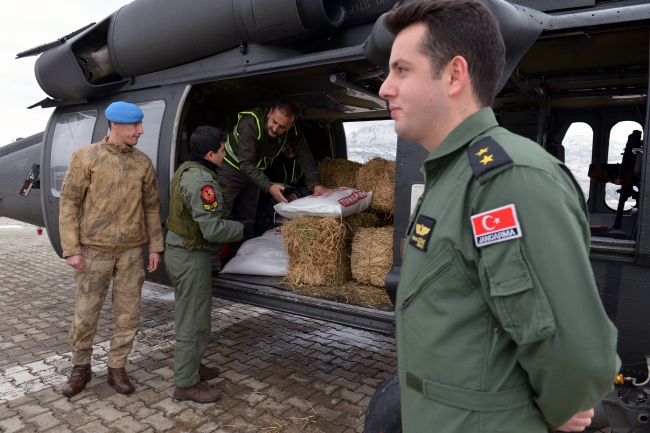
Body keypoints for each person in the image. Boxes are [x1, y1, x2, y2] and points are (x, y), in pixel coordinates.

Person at [378, 1, 620, 432]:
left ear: (454, 74)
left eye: (401, 70)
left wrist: (565, 404)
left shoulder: (506, 179)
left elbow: (576, 354)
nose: (385, 88)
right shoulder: (452, 174)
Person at [59, 101, 164, 397]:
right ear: (115, 125)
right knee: (86, 312)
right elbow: (69, 204)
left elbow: (152, 207)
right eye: (135, 126)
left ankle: (117, 367)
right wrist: (72, 249)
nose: (141, 131)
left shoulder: (143, 162)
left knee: (128, 313)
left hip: (132, 251)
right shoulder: (85, 158)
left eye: (141, 125)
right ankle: (81, 366)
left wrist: (155, 247)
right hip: (93, 251)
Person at [165, 126, 245, 403]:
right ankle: (185, 384)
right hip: (191, 256)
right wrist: (244, 229)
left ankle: (193, 365)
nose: (225, 154)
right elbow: (212, 230)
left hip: (182, 251)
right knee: (193, 322)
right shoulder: (202, 182)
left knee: (194, 317)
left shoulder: (189, 168)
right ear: (210, 154)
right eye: (223, 150)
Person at [218, 100, 330, 236]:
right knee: (220, 216)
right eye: (274, 122)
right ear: (270, 113)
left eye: (282, 127)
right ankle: (214, 257)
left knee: (247, 217)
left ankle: (239, 254)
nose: (275, 129)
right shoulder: (251, 123)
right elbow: (246, 164)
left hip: (255, 174)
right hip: (231, 170)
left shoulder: (293, 131)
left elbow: (303, 154)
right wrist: (269, 187)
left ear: (291, 126)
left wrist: (316, 184)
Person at [254, 145, 311, 236]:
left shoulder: (303, 163)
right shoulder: (269, 159)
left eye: (292, 146)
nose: (290, 149)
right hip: (268, 200)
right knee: (274, 213)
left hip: (291, 201)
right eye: (286, 146)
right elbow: (255, 181)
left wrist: (297, 193)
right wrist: (269, 195)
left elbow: (309, 185)